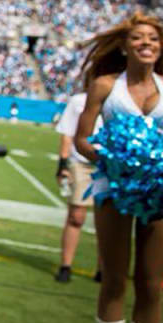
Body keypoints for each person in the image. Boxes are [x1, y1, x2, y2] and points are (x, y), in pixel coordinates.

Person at [74, 12, 163, 323]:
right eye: (138, 38)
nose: (146, 43)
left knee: (152, 284)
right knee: (113, 280)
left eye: (153, 39)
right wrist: (114, 160)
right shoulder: (105, 86)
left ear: (161, 47)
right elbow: (83, 140)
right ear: (125, 47)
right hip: (115, 187)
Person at [54, 89, 101, 283]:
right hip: (80, 162)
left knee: (108, 220)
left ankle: (104, 268)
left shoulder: (120, 100)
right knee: (76, 215)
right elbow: (67, 134)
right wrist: (62, 165)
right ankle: (66, 265)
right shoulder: (79, 101)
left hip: (109, 165)